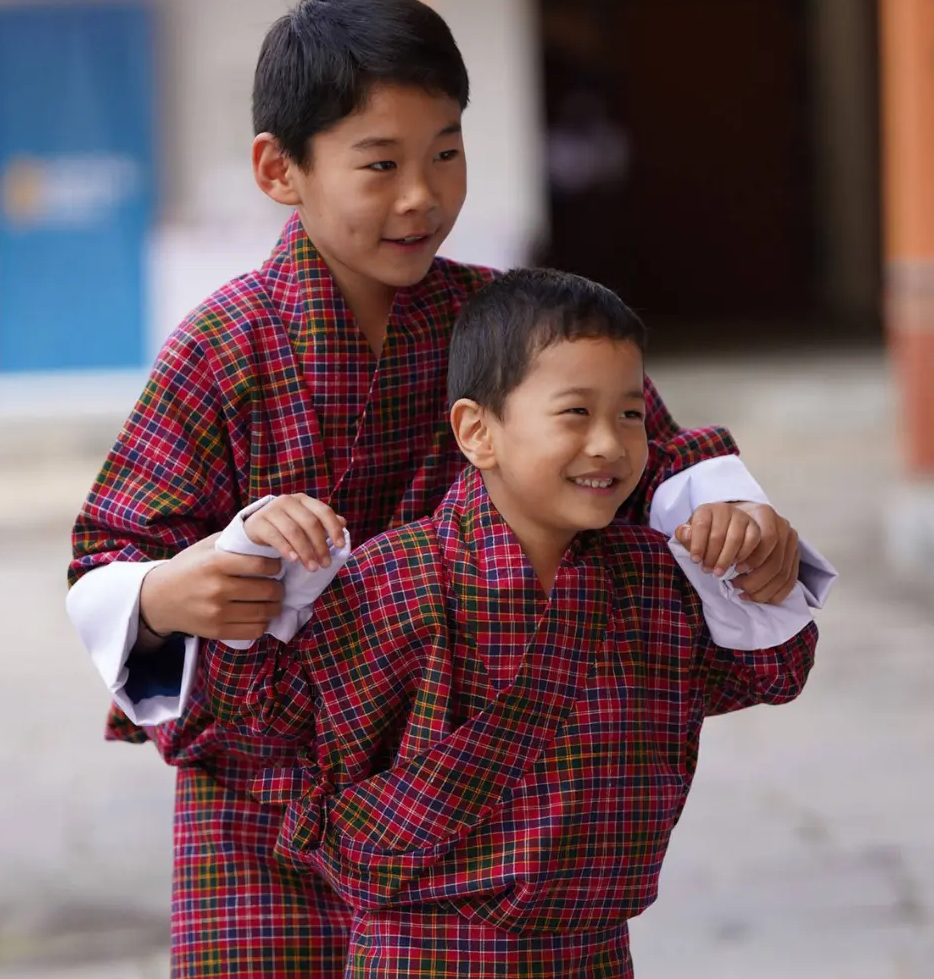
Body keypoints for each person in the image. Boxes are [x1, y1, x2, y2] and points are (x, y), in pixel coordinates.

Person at [66, 0, 834, 979]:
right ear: (279, 169)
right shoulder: (226, 348)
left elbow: (650, 454)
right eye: (380, 164)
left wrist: (733, 521)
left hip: (464, 792)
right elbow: (111, 554)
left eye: (446, 151)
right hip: (262, 799)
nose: (421, 194)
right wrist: (170, 593)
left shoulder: (505, 321)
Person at [202, 269, 822, 978]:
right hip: (424, 955)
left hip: (592, 954)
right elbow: (268, 724)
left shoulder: (654, 575)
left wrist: (748, 564)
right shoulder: (396, 577)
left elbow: (770, 673)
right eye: (574, 413)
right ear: (478, 432)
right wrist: (257, 558)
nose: (609, 445)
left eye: (628, 415)